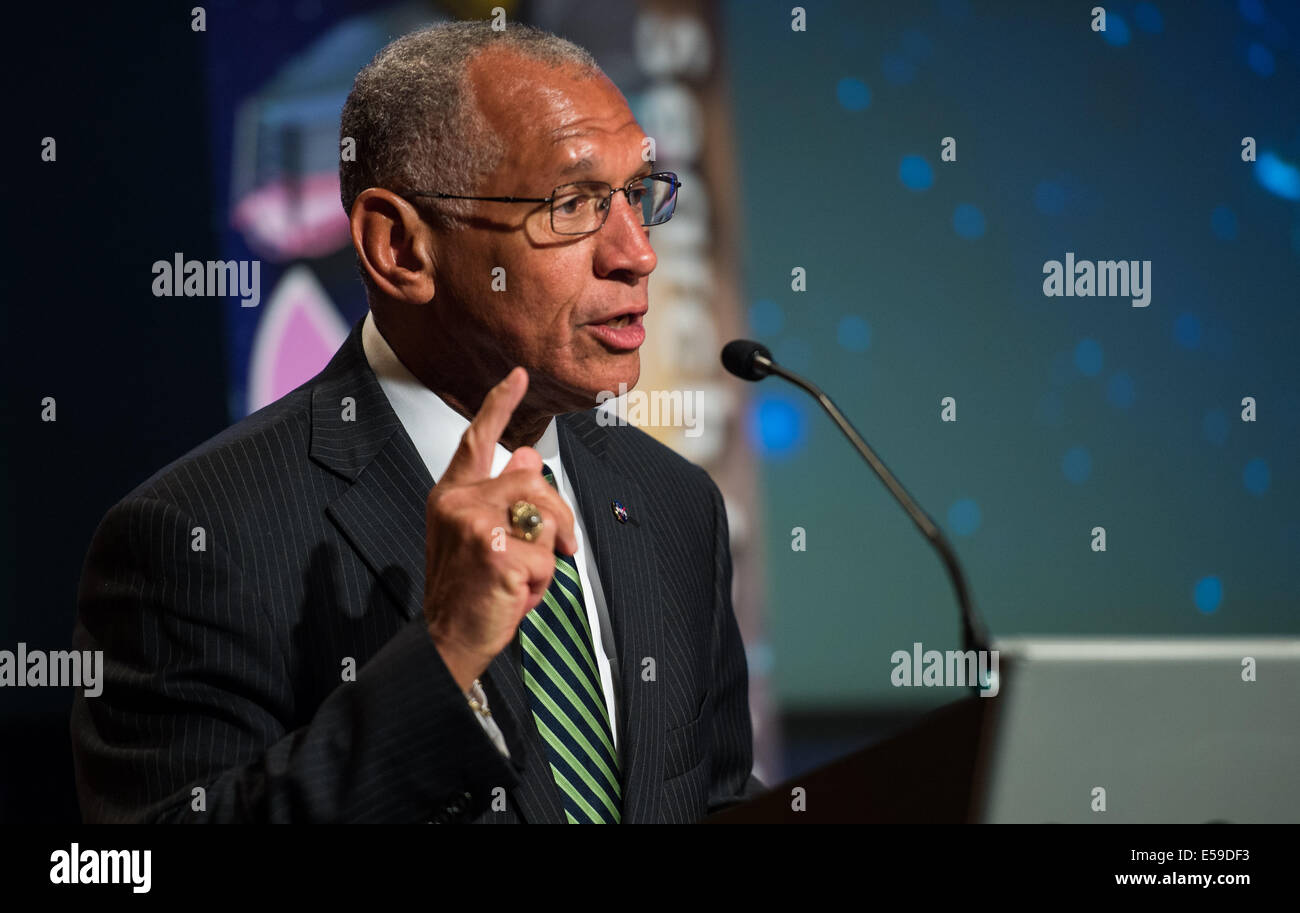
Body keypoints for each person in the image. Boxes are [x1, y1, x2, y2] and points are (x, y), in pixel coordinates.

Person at [71, 20, 763, 823]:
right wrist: (444, 658)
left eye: (637, 194)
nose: (636, 251)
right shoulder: (194, 537)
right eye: (574, 203)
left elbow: (708, 797)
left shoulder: (674, 501)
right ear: (400, 246)